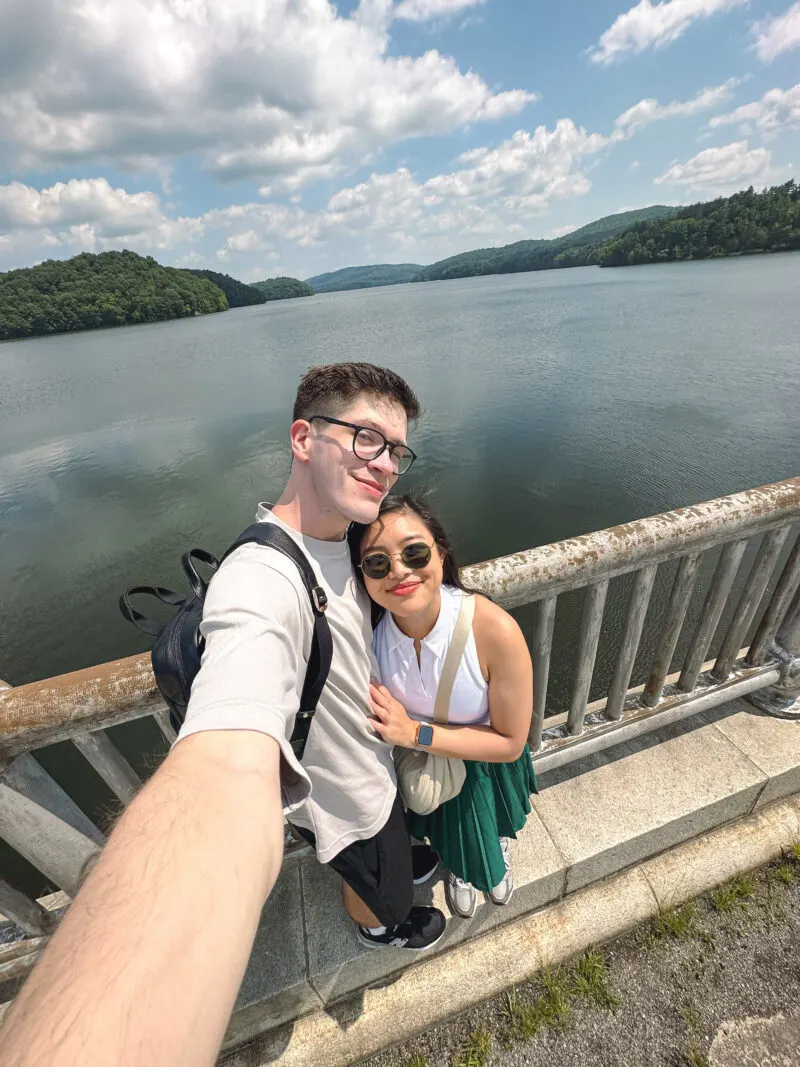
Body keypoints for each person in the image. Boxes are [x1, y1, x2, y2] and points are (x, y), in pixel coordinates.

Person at [0, 363, 444, 1067]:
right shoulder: (261, 581)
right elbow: (221, 769)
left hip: (371, 765)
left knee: (393, 851)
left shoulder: (350, 540)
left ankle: (386, 879)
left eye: (396, 449)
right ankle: (381, 927)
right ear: (304, 437)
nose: (385, 463)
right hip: (348, 800)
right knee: (381, 885)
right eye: (366, 438)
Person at [349, 492, 536, 919]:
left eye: (414, 552)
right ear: (363, 577)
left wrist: (413, 733)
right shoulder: (370, 636)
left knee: (489, 826)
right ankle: (459, 866)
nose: (399, 571)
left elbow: (510, 742)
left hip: (482, 761)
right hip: (428, 767)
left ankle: (490, 850)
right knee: (445, 833)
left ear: (440, 551)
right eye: (377, 563)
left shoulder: (494, 631)